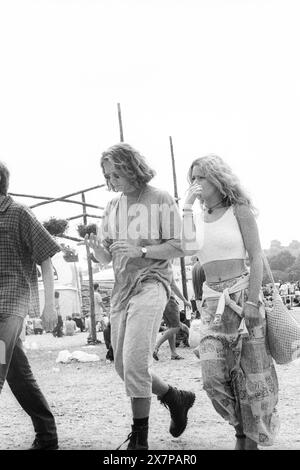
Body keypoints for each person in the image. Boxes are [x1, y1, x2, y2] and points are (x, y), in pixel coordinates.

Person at [83, 143, 195, 450]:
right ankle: (174, 396)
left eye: (115, 173)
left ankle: (140, 439)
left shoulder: (159, 199)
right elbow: (107, 259)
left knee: (134, 363)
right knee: (122, 366)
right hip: (122, 289)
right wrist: (95, 248)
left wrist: (142, 250)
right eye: (106, 175)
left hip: (152, 282)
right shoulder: (111, 207)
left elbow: (180, 245)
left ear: (130, 167)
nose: (110, 180)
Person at [181, 154, 279, 450]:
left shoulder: (239, 210)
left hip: (242, 296)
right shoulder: (196, 217)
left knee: (253, 374)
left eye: (201, 177)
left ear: (217, 179)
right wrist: (185, 207)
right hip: (213, 304)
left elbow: (257, 256)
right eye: (192, 178)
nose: (195, 184)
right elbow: (186, 250)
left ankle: (249, 439)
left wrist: (252, 301)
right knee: (212, 378)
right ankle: (241, 428)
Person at [0, 161, 60, 450]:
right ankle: (47, 436)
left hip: (12, 304)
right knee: (17, 372)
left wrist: (51, 306)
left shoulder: (19, 213)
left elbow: (46, 257)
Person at [153, 276, 191, 361]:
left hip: (162, 299)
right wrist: (184, 300)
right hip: (170, 299)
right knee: (176, 327)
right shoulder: (166, 268)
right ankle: (156, 347)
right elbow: (173, 285)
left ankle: (174, 353)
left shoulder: (157, 269)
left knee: (171, 327)